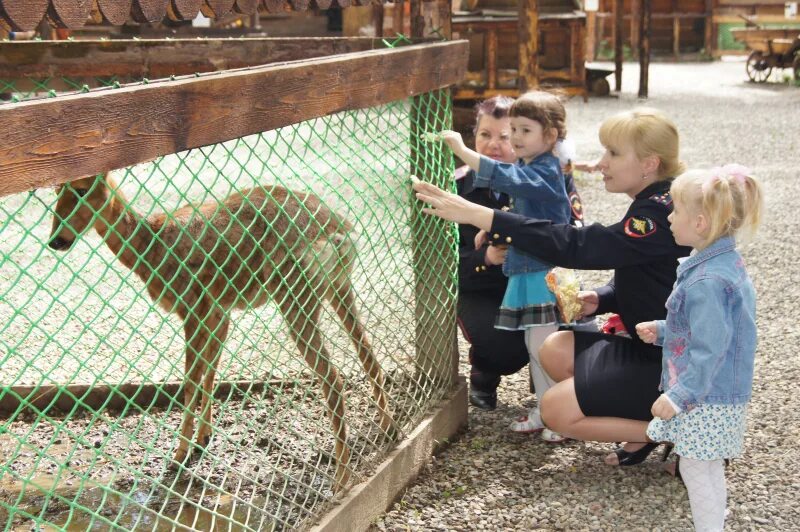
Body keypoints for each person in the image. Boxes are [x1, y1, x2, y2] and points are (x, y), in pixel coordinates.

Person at [412, 108, 691, 453]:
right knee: (553, 349)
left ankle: (677, 430)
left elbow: (579, 245)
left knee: (555, 410)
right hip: (653, 348)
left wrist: (481, 215)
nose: (601, 163)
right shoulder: (660, 201)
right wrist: (602, 298)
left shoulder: (656, 216)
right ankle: (647, 419)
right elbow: (657, 280)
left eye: (613, 153)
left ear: (649, 163)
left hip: (670, 366)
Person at [438, 91, 573, 442]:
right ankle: (546, 408)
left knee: (545, 346)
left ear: (550, 136)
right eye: (504, 131)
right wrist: (488, 245)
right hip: (503, 281)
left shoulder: (543, 171)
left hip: (536, 274)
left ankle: (559, 413)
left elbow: (513, 183)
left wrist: (464, 152)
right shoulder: (469, 182)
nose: (510, 140)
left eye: (519, 131)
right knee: (535, 345)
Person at [636, 164, 762, 532]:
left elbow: (711, 347)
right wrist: (662, 331)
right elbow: (708, 329)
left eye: (675, 211)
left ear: (702, 223)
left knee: (694, 464)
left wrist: (679, 396)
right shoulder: (720, 264)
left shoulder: (707, 280)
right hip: (719, 391)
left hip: (705, 395)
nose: (670, 218)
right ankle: (713, 520)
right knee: (704, 463)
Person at [455, 96, 529, 411]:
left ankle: (550, 379)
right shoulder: (455, 188)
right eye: (485, 135)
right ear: (474, 136)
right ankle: (484, 372)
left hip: (535, 281)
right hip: (482, 287)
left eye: (505, 136)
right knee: (504, 347)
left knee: (577, 330)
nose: (493, 145)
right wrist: (486, 259)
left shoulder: (544, 180)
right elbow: (444, 265)